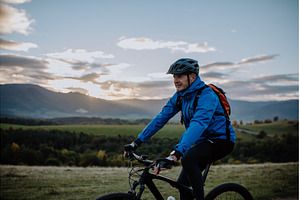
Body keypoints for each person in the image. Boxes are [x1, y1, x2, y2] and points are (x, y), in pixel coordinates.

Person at [124, 58, 236, 200]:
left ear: (193, 76)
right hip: (201, 142)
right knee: (182, 185)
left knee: (188, 158)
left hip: (221, 141)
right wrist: (137, 142)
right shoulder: (180, 96)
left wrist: (176, 154)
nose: (176, 80)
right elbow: (161, 118)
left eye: (180, 76)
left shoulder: (207, 95)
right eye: (174, 76)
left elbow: (198, 123)